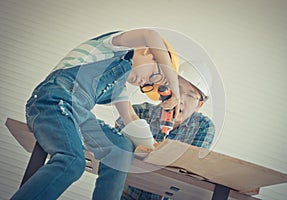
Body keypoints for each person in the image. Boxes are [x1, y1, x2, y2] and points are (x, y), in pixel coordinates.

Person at [11, 28, 180, 200]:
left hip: (78, 115)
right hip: (52, 100)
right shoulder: (113, 47)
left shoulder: (118, 87)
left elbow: (131, 119)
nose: (144, 83)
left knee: (120, 148)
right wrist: (173, 84)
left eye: (147, 86)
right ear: (147, 51)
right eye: (153, 75)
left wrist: (152, 148)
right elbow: (150, 35)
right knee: (72, 161)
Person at [115, 62, 215, 200]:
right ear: (166, 90)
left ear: (199, 104)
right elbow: (115, 151)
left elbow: (189, 170)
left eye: (190, 96)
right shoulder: (139, 112)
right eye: (177, 90)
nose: (180, 100)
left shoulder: (203, 127)